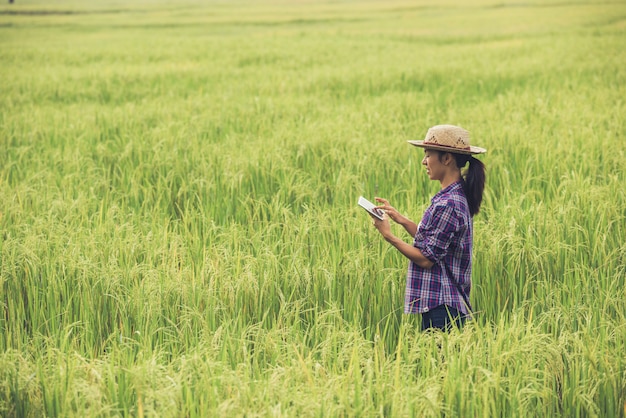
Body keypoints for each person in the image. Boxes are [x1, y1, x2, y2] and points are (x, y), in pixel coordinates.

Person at [370, 124, 486, 331]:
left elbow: (426, 259)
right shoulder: (453, 197)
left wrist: (389, 236)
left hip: (443, 306)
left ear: (447, 158)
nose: (424, 161)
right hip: (443, 305)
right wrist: (402, 220)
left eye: (428, 154)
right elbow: (435, 244)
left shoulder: (448, 204)